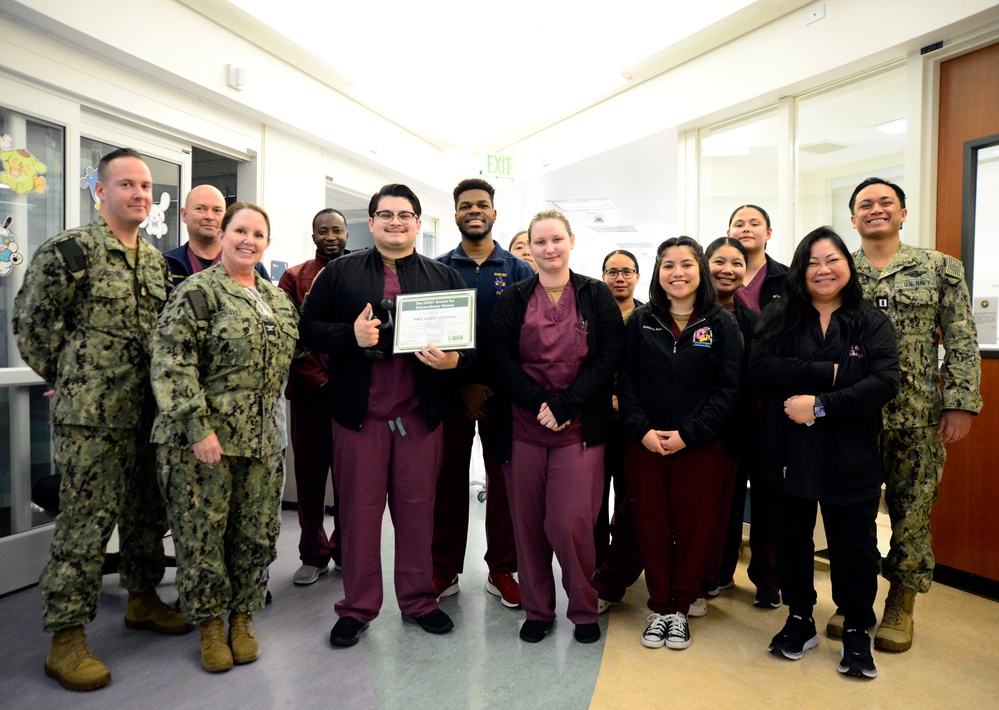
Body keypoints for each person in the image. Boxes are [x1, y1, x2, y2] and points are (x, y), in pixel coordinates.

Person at [13, 147, 188, 692]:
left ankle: (142, 598)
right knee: (86, 525)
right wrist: (71, 379)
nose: (138, 193)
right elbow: (32, 326)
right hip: (92, 419)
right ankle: (66, 637)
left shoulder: (158, 262)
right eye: (126, 184)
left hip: (148, 415)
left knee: (144, 514)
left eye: (145, 186)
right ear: (100, 192)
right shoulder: (71, 252)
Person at [299, 184, 470, 648]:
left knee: (418, 515)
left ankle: (418, 601)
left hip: (418, 418)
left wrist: (454, 362)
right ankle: (357, 608)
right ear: (371, 222)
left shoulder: (444, 277)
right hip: (361, 419)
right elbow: (307, 327)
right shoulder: (339, 274)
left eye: (406, 215)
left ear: (418, 223)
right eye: (386, 215)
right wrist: (348, 334)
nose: (396, 222)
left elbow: (470, 348)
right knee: (358, 517)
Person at [829, 177, 982, 652]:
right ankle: (854, 599)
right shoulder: (836, 270)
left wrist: (960, 403)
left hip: (916, 416)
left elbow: (960, 337)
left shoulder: (940, 268)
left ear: (903, 212)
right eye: (865, 205)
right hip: (851, 414)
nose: (876, 210)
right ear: (853, 219)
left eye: (885, 203)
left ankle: (901, 602)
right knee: (850, 515)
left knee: (911, 515)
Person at [151, 202, 298, 673]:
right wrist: (198, 428)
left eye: (257, 233)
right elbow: (172, 363)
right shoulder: (198, 293)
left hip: (262, 442)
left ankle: (242, 617)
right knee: (202, 535)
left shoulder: (276, 300)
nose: (247, 240)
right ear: (224, 234)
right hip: (205, 443)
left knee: (255, 534)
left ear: (267, 243)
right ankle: (210, 624)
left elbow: (298, 351)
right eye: (239, 230)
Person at [752, 227, 900, 679]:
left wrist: (818, 403)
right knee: (792, 541)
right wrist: (832, 371)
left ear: (847, 267)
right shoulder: (779, 315)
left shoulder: (869, 320)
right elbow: (759, 369)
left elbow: (883, 382)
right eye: (813, 261)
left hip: (850, 452)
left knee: (853, 547)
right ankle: (799, 617)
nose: (823, 269)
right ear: (800, 268)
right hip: (787, 452)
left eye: (832, 259)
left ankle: (857, 629)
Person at [486, 210, 624, 645]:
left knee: (572, 523)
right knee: (526, 524)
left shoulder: (595, 294)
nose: (548, 249)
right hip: (524, 427)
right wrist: (538, 401)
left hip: (579, 427)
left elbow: (609, 358)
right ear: (529, 246)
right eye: (539, 241)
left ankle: (583, 608)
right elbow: (498, 358)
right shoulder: (514, 297)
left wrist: (566, 403)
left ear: (571, 241)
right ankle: (538, 609)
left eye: (556, 240)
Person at [618, 236, 741, 651]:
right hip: (646, 445)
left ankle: (681, 608)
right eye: (668, 265)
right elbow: (627, 383)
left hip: (699, 446)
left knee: (693, 528)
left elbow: (728, 390)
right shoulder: (641, 320)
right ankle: (659, 607)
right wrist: (643, 431)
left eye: (686, 264)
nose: (678, 273)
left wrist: (690, 434)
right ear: (657, 273)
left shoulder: (720, 322)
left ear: (700, 270)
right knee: (651, 526)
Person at [432, 179, 534, 608]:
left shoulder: (518, 270)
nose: (475, 211)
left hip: (502, 397)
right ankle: (443, 568)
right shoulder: (435, 269)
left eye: (483, 205)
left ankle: (501, 568)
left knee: (505, 485)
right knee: (446, 482)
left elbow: (526, 342)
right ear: (455, 214)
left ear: (495, 213)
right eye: (466, 206)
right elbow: (430, 336)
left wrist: (490, 386)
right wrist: (463, 385)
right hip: (450, 395)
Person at [278, 209, 349, 586]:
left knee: (351, 481)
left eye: (336, 229)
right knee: (309, 479)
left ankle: (345, 549)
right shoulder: (294, 277)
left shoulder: (357, 273)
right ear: (313, 235)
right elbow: (289, 338)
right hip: (309, 396)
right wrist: (322, 382)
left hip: (351, 397)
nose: (330, 236)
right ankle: (312, 553)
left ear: (347, 234)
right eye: (323, 230)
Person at [723, 204, 785, 608]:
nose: (746, 229)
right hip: (725, 407)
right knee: (724, 495)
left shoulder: (785, 280)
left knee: (769, 496)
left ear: (768, 232)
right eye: (737, 224)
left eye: (753, 223)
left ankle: (767, 577)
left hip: (770, 406)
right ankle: (717, 571)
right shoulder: (716, 277)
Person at [697, 236, 758, 618]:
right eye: (720, 261)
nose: (728, 270)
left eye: (737, 263)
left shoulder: (751, 319)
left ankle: (716, 574)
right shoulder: (689, 311)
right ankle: (690, 576)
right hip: (689, 427)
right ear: (705, 264)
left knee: (726, 507)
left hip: (734, 428)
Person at [592, 250, 643, 581]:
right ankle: (596, 559)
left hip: (634, 422)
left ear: (638, 276)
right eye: (613, 272)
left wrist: (625, 400)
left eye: (627, 271)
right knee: (594, 496)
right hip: (596, 418)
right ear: (603, 276)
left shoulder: (649, 318)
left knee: (629, 497)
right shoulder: (592, 315)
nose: (620, 278)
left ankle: (620, 564)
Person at [164, 184, 269, 292]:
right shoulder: (166, 264)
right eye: (200, 209)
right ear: (184, 215)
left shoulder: (253, 269)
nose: (209, 216)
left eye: (217, 210)